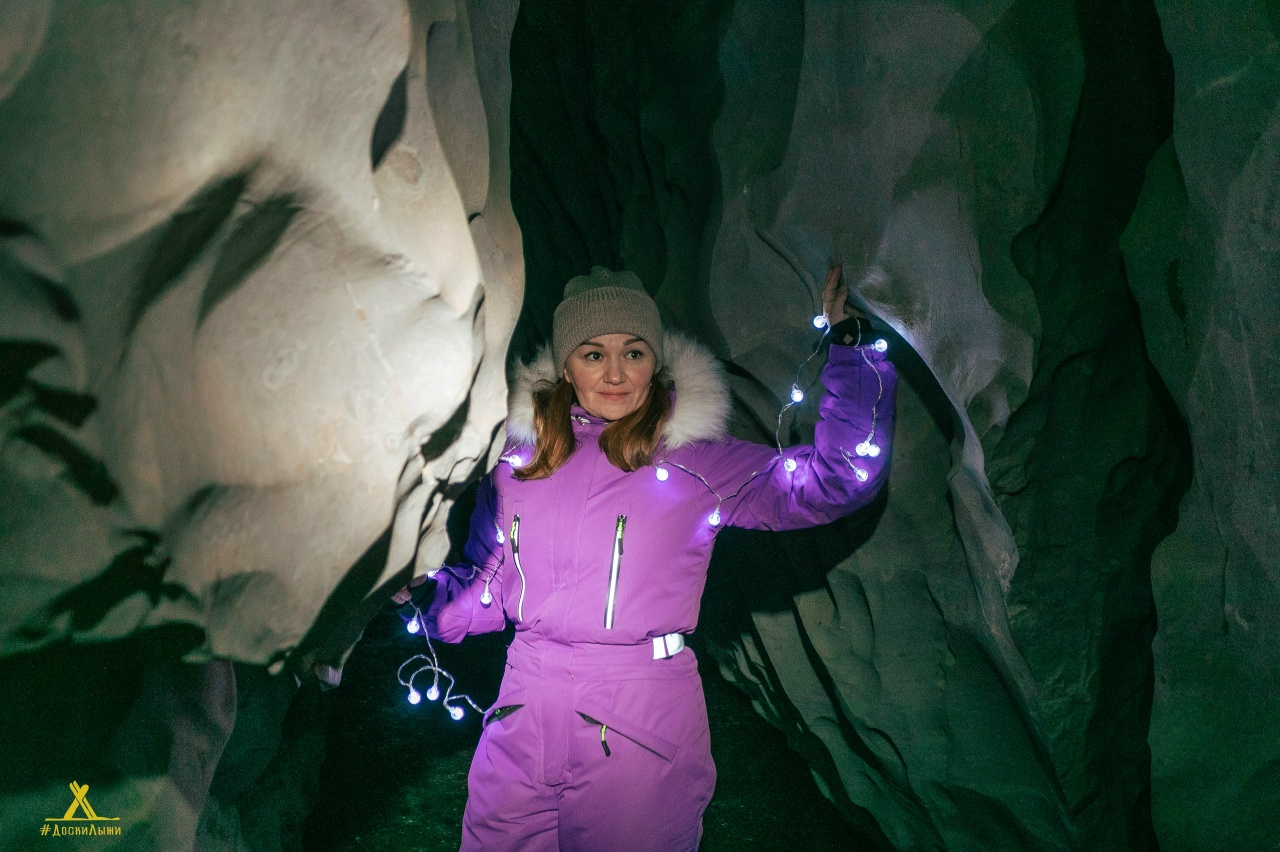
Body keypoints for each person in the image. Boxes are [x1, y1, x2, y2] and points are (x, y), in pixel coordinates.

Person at [405, 265, 897, 852]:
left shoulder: (695, 461)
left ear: (655, 362)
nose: (615, 373)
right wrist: (417, 591)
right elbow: (485, 590)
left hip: (638, 723)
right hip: (522, 714)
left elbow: (834, 479)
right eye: (593, 354)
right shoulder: (518, 462)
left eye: (633, 352)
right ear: (565, 366)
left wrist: (855, 351)